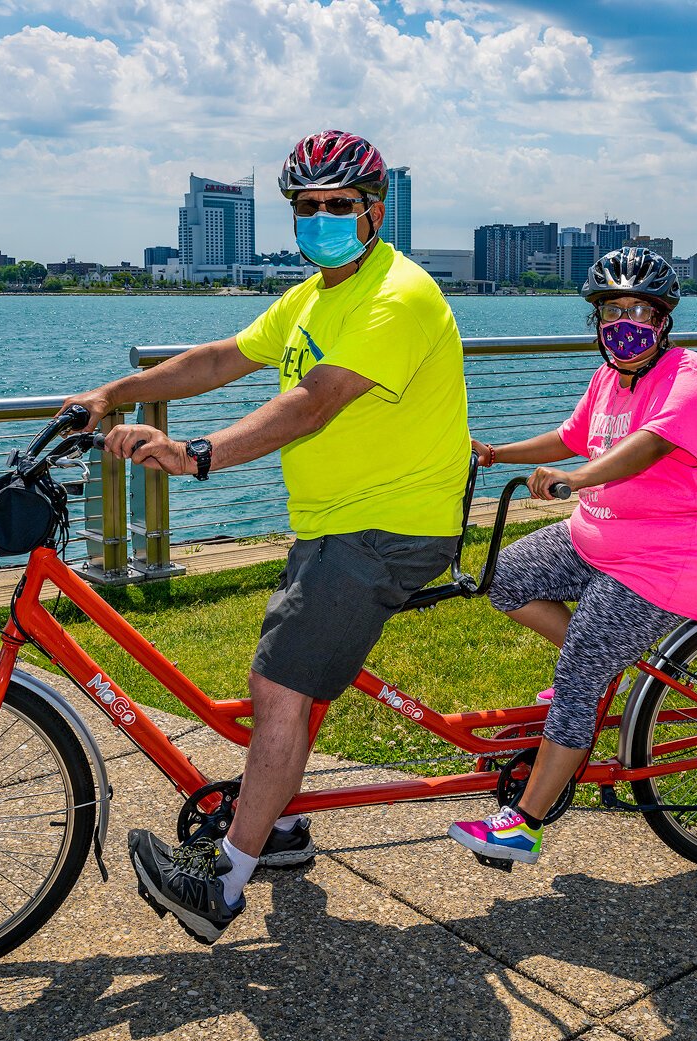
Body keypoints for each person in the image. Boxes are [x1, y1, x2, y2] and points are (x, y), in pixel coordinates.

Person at [60, 130, 469, 944]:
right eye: (305, 207)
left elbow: (311, 402)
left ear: (373, 212)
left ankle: (222, 886)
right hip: (337, 522)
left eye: (336, 206)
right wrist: (112, 391)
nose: (319, 218)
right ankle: (278, 828)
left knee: (278, 686)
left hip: (388, 528)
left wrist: (199, 452)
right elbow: (219, 358)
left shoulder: (398, 295)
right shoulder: (313, 295)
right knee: (290, 674)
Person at [449, 247, 697, 865]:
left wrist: (577, 479)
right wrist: (495, 454)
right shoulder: (608, 378)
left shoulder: (689, 380)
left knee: (578, 675)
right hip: (605, 536)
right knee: (507, 576)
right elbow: (572, 435)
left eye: (640, 310)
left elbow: (645, 448)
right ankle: (604, 663)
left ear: (664, 319)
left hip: (674, 554)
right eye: (613, 309)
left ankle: (524, 824)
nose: (625, 321)